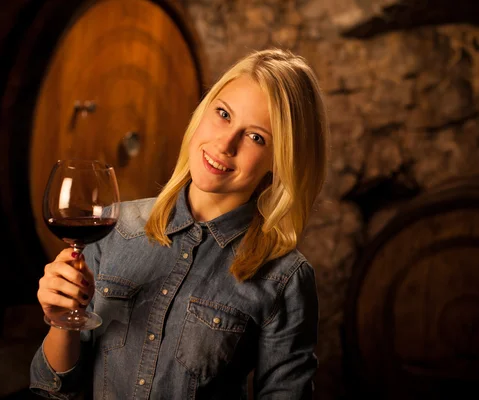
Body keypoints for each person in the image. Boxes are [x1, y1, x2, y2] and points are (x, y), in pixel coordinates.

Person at [29, 47, 330, 399]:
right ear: (203, 113)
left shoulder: (285, 278)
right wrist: (61, 321)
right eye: (223, 114)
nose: (224, 144)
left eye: (256, 137)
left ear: (281, 160)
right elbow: (53, 389)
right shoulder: (114, 228)